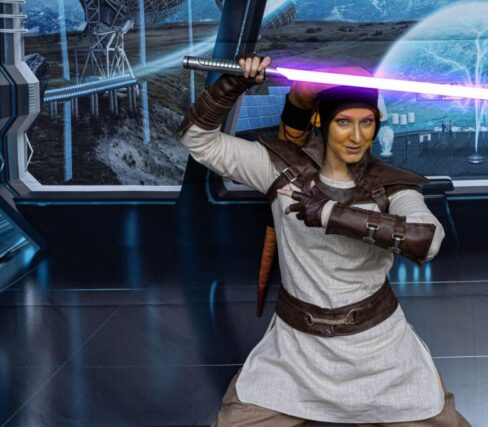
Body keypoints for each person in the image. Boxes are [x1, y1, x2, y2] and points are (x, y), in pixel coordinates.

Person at [178, 54, 470, 426]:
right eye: (344, 122)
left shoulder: (391, 185)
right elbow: (197, 140)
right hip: (295, 352)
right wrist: (234, 83)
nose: (357, 136)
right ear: (321, 120)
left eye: (366, 122)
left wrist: (331, 213)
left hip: (378, 351)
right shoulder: (281, 170)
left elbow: (426, 241)